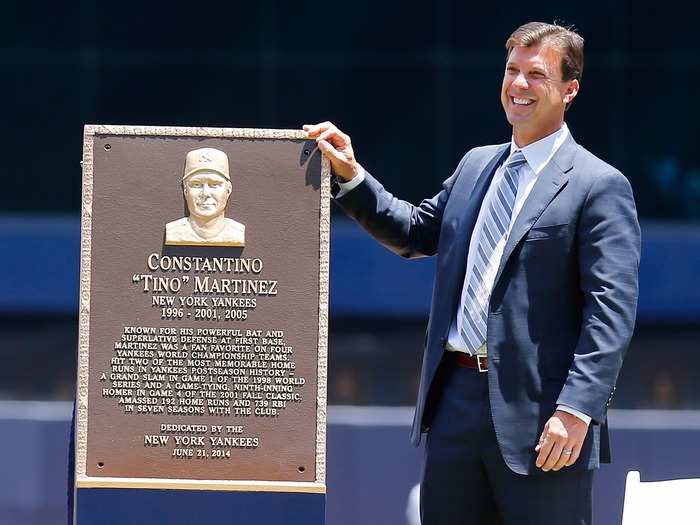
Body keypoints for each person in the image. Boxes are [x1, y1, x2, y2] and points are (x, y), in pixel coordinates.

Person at [305, 21, 640, 524]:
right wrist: (353, 175)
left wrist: (576, 411)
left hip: (544, 419)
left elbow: (609, 314)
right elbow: (415, 233)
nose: (519, 85)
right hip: (454, 403)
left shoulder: (599, 185)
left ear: (570, 90)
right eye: (512, 71)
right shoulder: (476, 166)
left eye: (536, 74)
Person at [165, 147, 245, 247]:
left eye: (214, 184)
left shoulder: (237, 233)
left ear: (228, 190)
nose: (205, 193)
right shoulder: (174, 232)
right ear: (185, 190)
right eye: (196, 184)